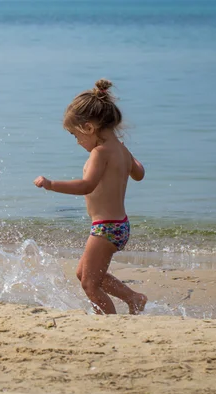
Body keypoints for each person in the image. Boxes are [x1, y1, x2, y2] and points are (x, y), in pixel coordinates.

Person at [34, 79, 147, 315]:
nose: (77, 142)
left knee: (89, 283)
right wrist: (128, 156)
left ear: (89, 128)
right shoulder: (121, 149)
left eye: (76, 136)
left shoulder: (100, 152)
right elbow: (139, 174)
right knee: (83, 273)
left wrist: (51, 184)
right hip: (119, 225)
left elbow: (87, 185)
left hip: (106, 228)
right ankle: (133, 297)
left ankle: (107, 322)